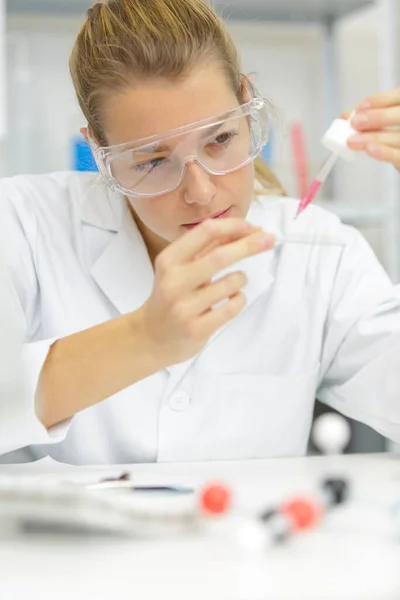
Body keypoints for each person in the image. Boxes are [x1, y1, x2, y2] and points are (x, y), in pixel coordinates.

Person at [0, 0, 399, 465]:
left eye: (220, 139)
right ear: (98, 150)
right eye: (151, 161)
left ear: (245, 101)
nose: (202, 192)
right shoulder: (25, 224)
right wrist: (144, 338)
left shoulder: (320, 252)